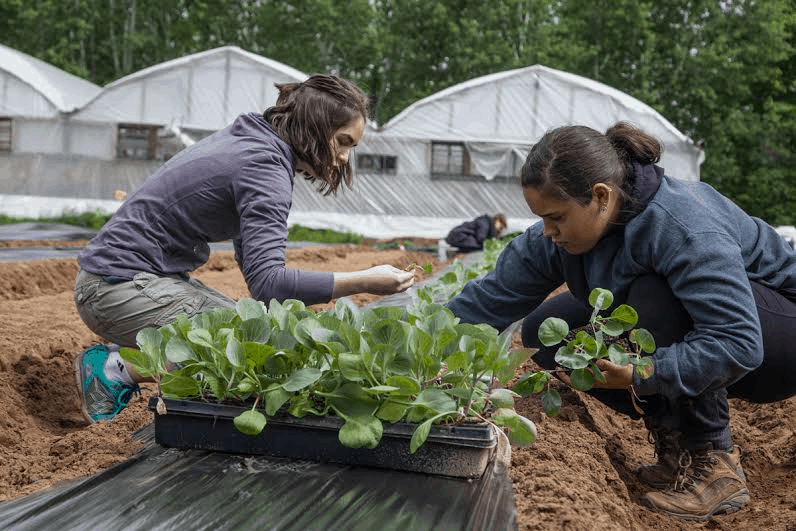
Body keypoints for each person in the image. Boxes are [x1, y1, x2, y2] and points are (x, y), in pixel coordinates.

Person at [445, 122, 796, 521]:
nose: (547, 231)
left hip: (779, 338)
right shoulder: (563, 234)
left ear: (599, 196)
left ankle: (714, 459)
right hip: (730, 330)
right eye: (541, 217)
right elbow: (489, 299)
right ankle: (675, 443)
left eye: (556, 217)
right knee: (547, 331)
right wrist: (421, 348)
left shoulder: (680, 224)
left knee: (654, 294)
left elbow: (738, 341)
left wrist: (642, 372)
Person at [73, 74, 415, 424]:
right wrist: (365, 280)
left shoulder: (255, 141)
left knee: (258, 330)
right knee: (240, 349)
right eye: (342, 142)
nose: (343, 158)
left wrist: (289, 317)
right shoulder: (264, 167)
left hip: (123, 281)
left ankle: (129, 351)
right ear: (316, 126)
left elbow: (259, 277)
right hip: (113, 289)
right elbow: (269, 283)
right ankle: (114, 370)